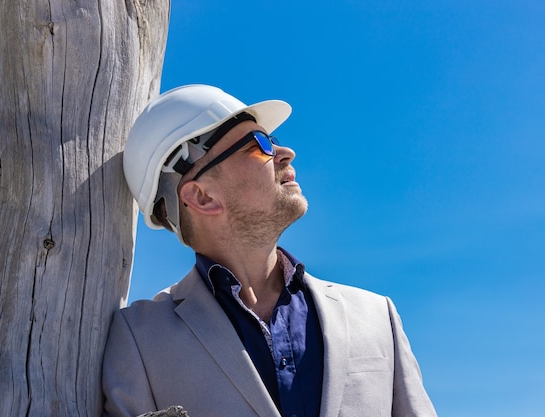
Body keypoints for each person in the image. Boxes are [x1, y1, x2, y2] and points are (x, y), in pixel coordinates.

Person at [102, 84, 437, 417]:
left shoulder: (377, 317)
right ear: (202, 196)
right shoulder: (141, 341)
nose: (286, 152)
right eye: (260, 144)